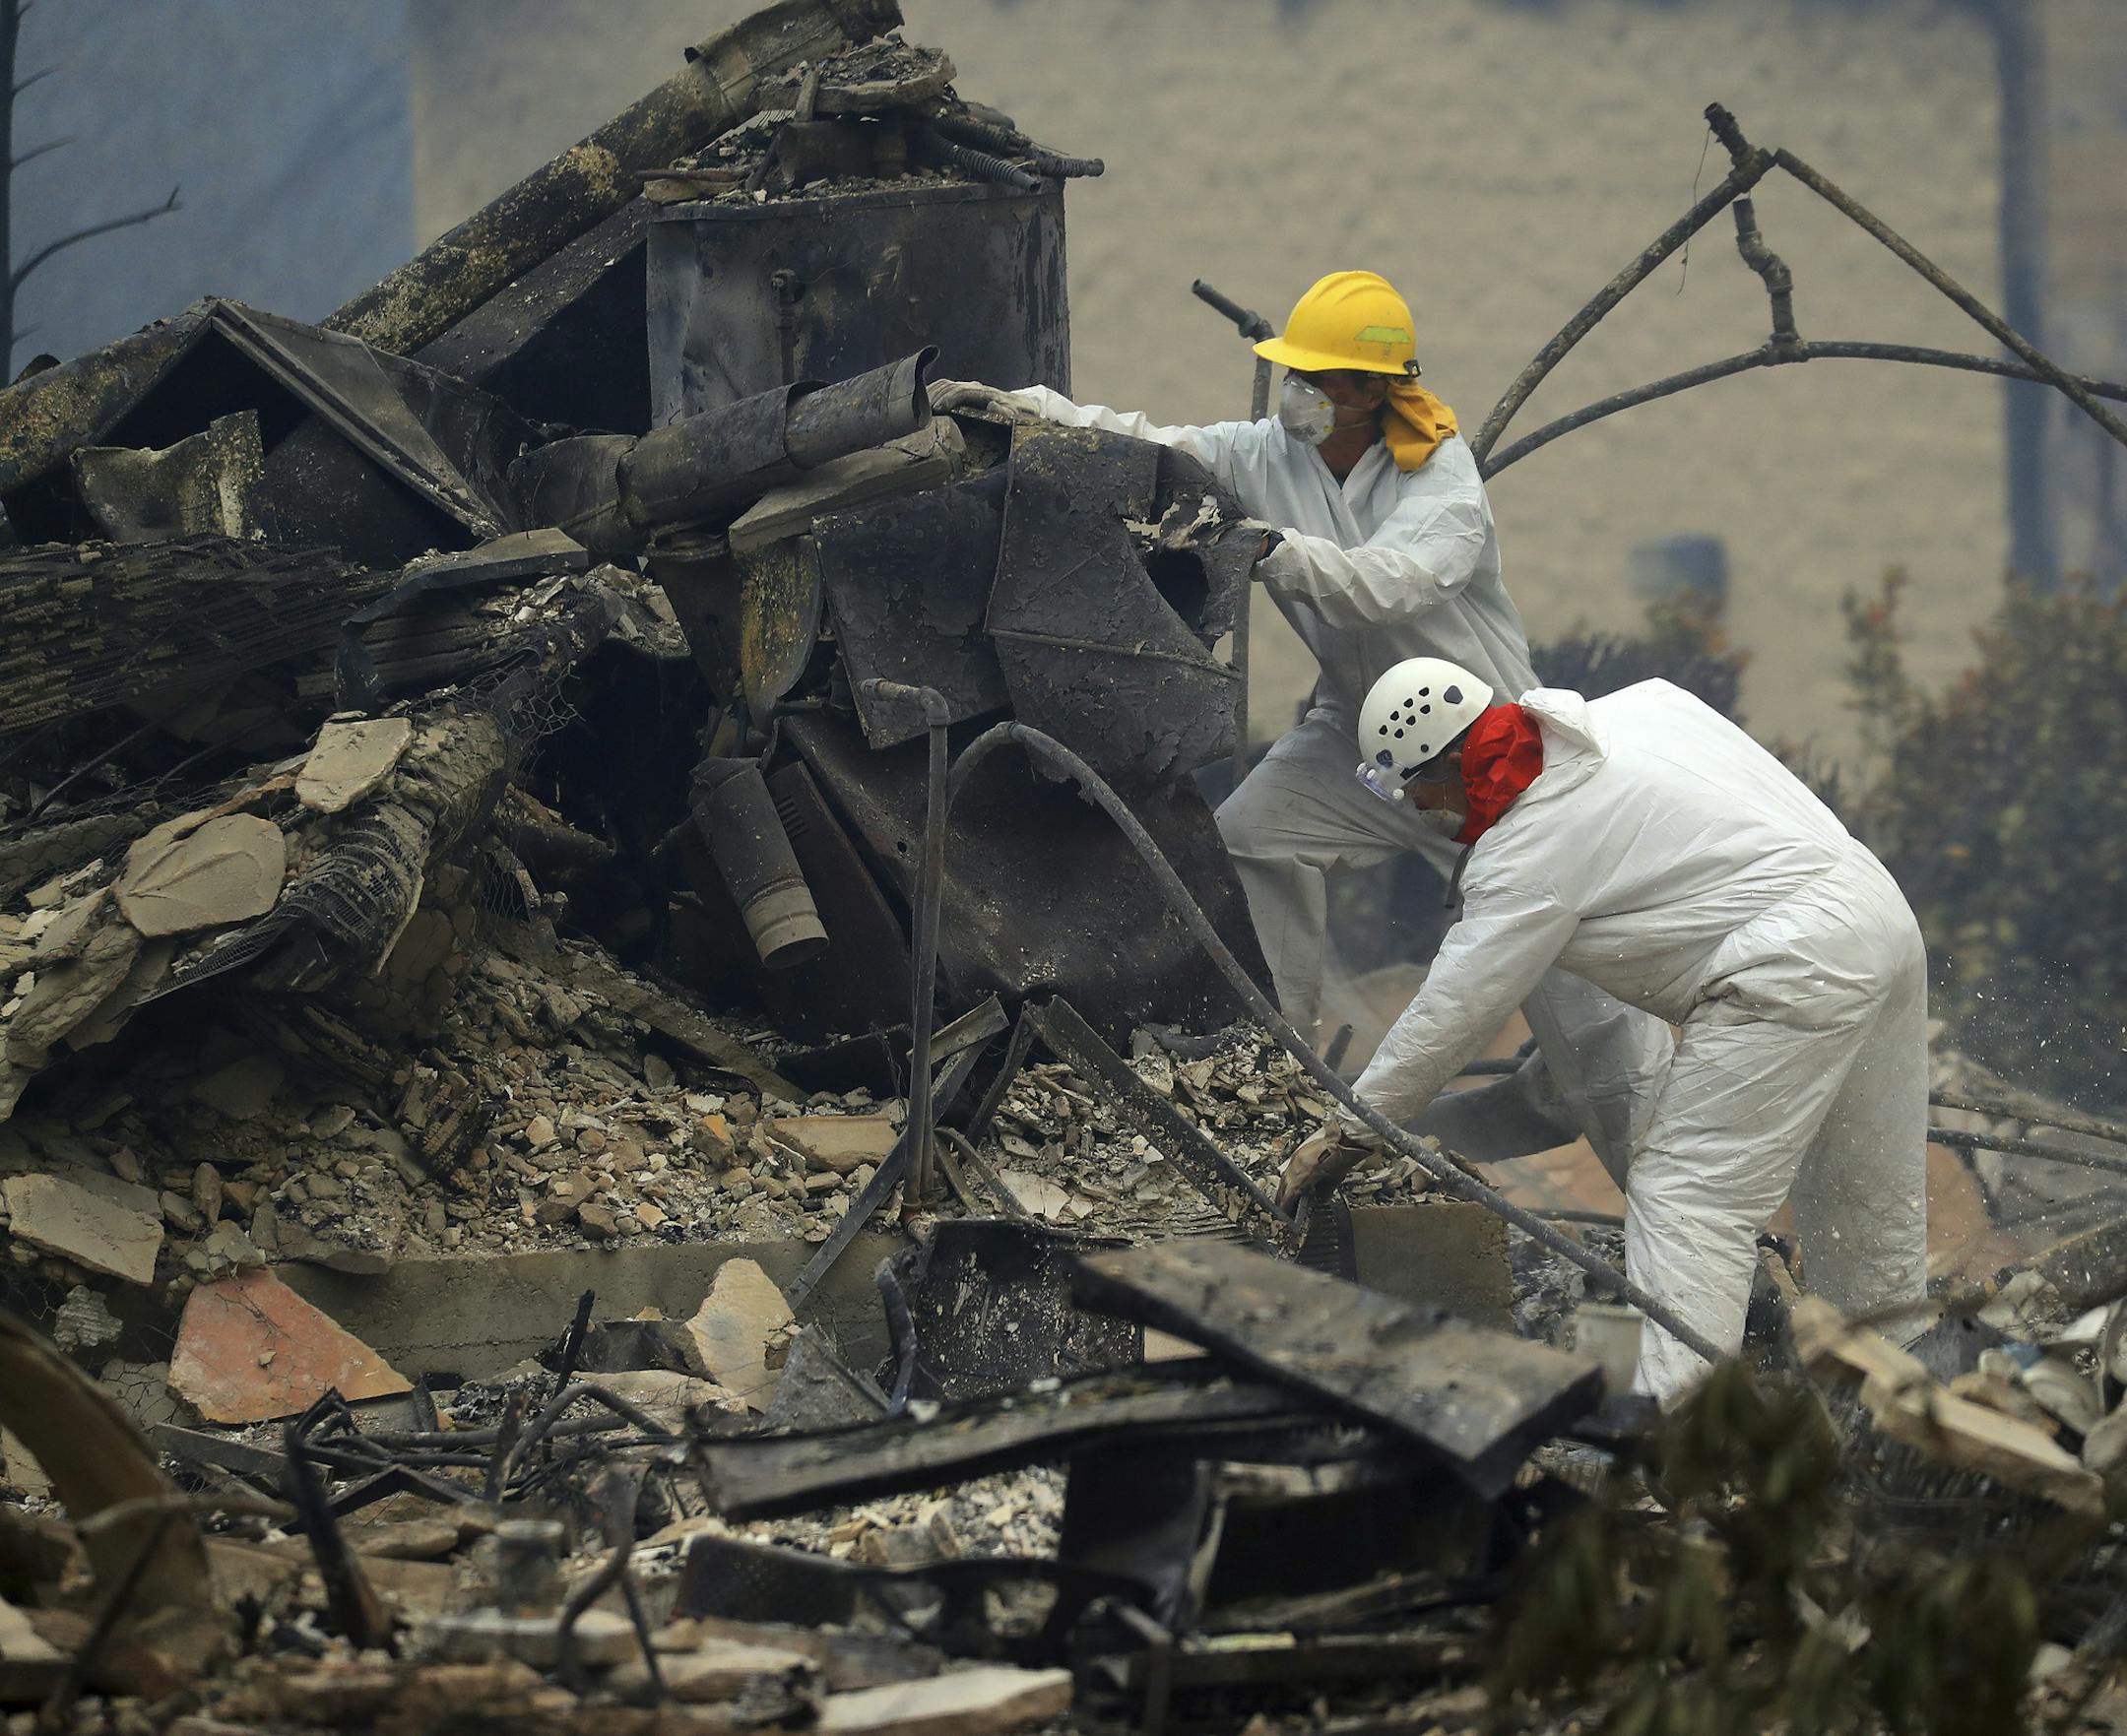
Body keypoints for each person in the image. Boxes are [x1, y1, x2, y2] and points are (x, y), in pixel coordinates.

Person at [930, 270, 1670, 1174]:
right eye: (1295, 375)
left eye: (1318, 380)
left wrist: (1264, 549)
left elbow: (1387, 587)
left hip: (1489, 758)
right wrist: (1017, 410)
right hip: (1358, 737)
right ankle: (1285, 1073)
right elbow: (1145, 443)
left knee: (1579, 992)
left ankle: (1667, 1197)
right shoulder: (1266, 452)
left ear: (1371, 392)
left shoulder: (1439, 478)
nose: (1299, 395)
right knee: (1251, 837)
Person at [1291, 655, 1930, 1402]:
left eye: (1416, 790)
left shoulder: (1528, 853)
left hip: (1792, 964)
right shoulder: (1640, 709)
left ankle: (1678, 1429)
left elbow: (1448, 1015)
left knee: (1685, 1194)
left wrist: (1352, 1131)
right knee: (1863, 1197)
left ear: (1449, 762)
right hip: (1880, 916)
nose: (1422, 810)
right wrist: (1530, 1094)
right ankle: (1904, 1404)